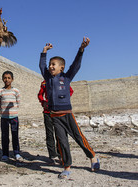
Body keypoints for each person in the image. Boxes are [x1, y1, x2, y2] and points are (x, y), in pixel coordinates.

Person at [39, 37, 100, 179]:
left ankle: (93, 157)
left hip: (67, 114)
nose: (50, 66)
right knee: (62, 141)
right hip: (55, 116)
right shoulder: (47, 79)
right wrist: (44, 52)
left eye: (54, 64)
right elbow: (42, 66)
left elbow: (76, 65)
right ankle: (66, 166)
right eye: (50, 64)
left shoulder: (66, 78)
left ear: (61, 67)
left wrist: (81, 50)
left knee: (78, 137)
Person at [38, 80, 73, 164]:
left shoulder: (62, 81)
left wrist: (62, 100)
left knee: (60, 134)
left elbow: (70, 91)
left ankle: (61, 155)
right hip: (48, 112)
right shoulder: (44, 83)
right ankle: (52, 155)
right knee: (49, 134)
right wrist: (43, 102)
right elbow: (40, 95)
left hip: (59, 112)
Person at [0, 71, 23, 162]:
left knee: (15, 135)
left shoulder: (16, 91)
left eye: (9, 78)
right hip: (4, 118)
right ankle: (5, 154)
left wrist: (13, 111)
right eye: (5, 78)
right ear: (2, 79)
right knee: (4, 136)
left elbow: (18, 103)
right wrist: (3, 112)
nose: (7, 80)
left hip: (14, 117)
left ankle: (17, 153)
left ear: (12, 79)